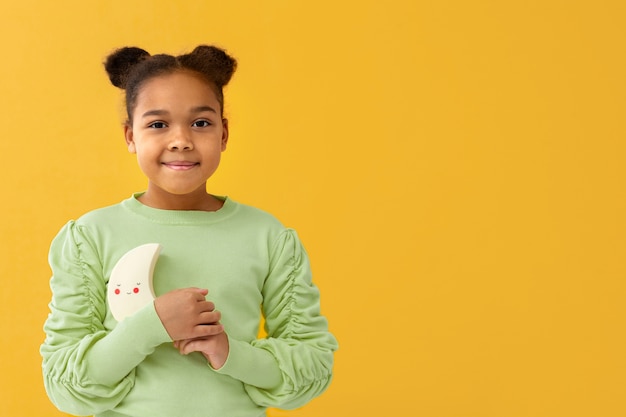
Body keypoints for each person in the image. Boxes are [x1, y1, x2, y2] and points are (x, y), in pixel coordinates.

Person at [40, 45, 338, 417]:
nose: (180, 140)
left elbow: (311, 367)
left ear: (224, 133)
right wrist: (151, 326)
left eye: (200, 123)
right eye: (158, 124)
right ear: (130, 136)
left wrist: (231, 353)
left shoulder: (268, 237)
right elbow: (65, 385)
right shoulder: (89, 237)